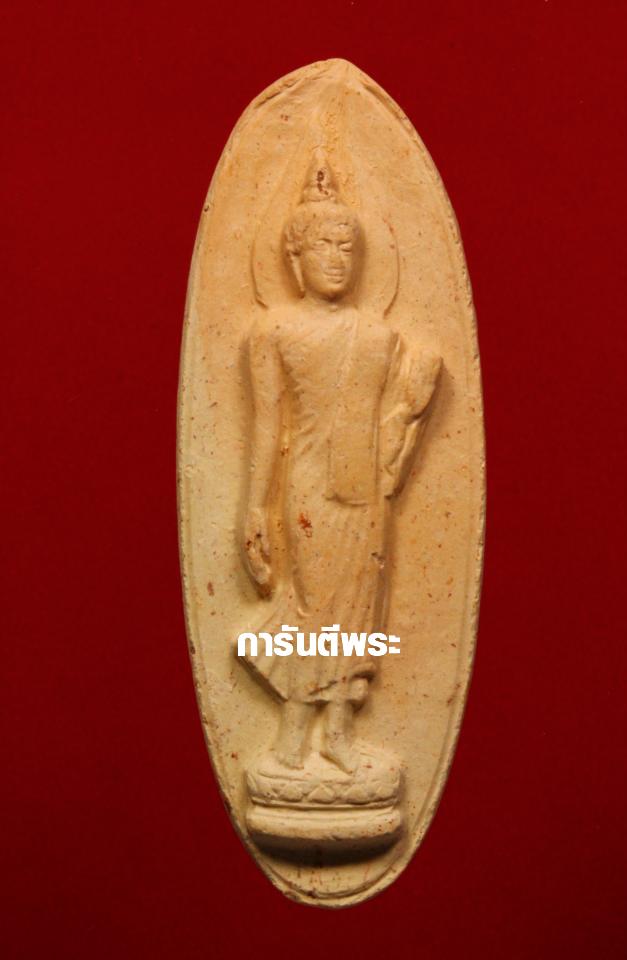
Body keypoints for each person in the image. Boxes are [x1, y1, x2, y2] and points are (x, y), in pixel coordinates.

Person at [240, 150, 440, 773]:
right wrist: (253, 508)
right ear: (294, 258)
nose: (336, 258)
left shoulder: (380, 337)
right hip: (307, 486)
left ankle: (339, 731)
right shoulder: (273, 331)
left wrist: (411, 409)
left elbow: (392, 429)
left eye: (346, 248)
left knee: (360, 605)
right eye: (322, 246)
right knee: (312, 604)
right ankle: (292, 731)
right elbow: (266, 425)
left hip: (364, 490)